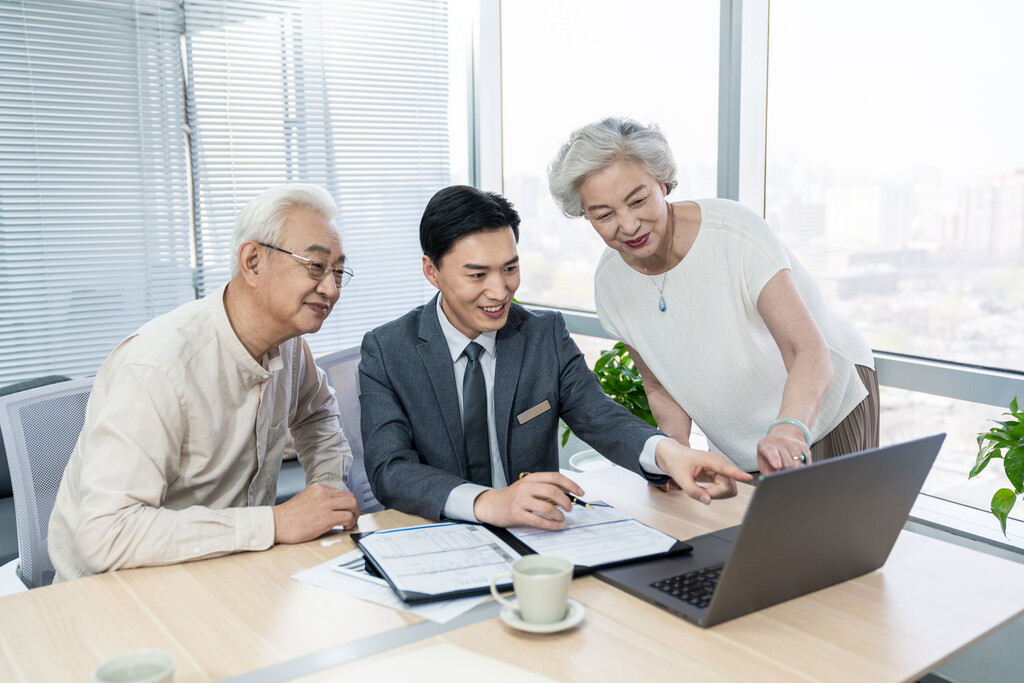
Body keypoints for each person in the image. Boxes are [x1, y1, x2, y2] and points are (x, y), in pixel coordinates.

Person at [358, 185, 751, 530]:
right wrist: (486, 502)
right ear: (432, 271)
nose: (499, 291)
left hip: (539, 534)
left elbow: (600, 416)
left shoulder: (542, 335)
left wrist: (669, 453)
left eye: (509, 269)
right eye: (477, 276)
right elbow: (390, 471)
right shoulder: (387, 351)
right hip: (434, 534)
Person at [48, 184, 362, 582]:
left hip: (231, 570)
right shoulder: (159, 365)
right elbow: (106, 536)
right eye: (316, 267)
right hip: (114, 594)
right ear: (252, 262)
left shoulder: (291, 346)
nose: (331, 289)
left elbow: (318, 416)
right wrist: (275, 523)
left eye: (338, 271)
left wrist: (327, 494)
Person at [548, 117, 879, 475]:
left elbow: (807, 351)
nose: (628, 225)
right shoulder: (611, 285)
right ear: (585, 215)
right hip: (739, 440)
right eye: (604, 215)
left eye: (638, 200)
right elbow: (659, 386)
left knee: (830, 530)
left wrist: (789, 429)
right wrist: (675, 452)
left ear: (662, 183)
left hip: (826, 409)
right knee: (758, 530)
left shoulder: (734, 235)